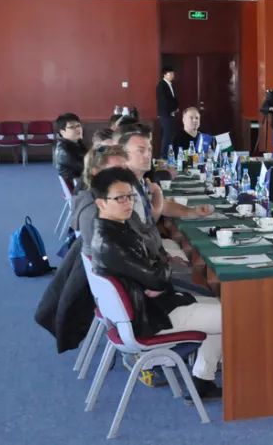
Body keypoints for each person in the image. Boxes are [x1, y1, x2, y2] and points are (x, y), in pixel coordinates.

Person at [88, 166, 223, 399]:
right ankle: (220, 377)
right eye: (120, 198)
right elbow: (159, 278)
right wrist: (158, 271)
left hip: (147, 307)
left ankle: (203, 379)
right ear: (101, 203)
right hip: (149, 317)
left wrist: (155, 275)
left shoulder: (112, 228)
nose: (128, 203)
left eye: (130, 196)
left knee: (219, 305)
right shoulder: (112, 242)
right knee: (232, 315)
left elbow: (154, 273)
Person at [54, 112, 87, 191]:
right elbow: (87, 168)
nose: (77, 129)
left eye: (78, 125)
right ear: (62, 132)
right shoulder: (64, 152)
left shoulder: (77, 143)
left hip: (83, 182)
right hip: (79, 189)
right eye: (72, 127)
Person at [155, 67, 178, 157]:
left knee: (171, 135)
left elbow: (172, 99)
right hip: (165, 114)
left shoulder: (170, 84)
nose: (172, 75)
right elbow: (164, 101)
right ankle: (163, 156)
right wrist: (173, 109)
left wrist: (176, 107)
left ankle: (170, 154)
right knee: (167, 135)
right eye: (170, 74)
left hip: (170, 113)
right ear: (164, 74)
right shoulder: (161, 85)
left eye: (173, 73)